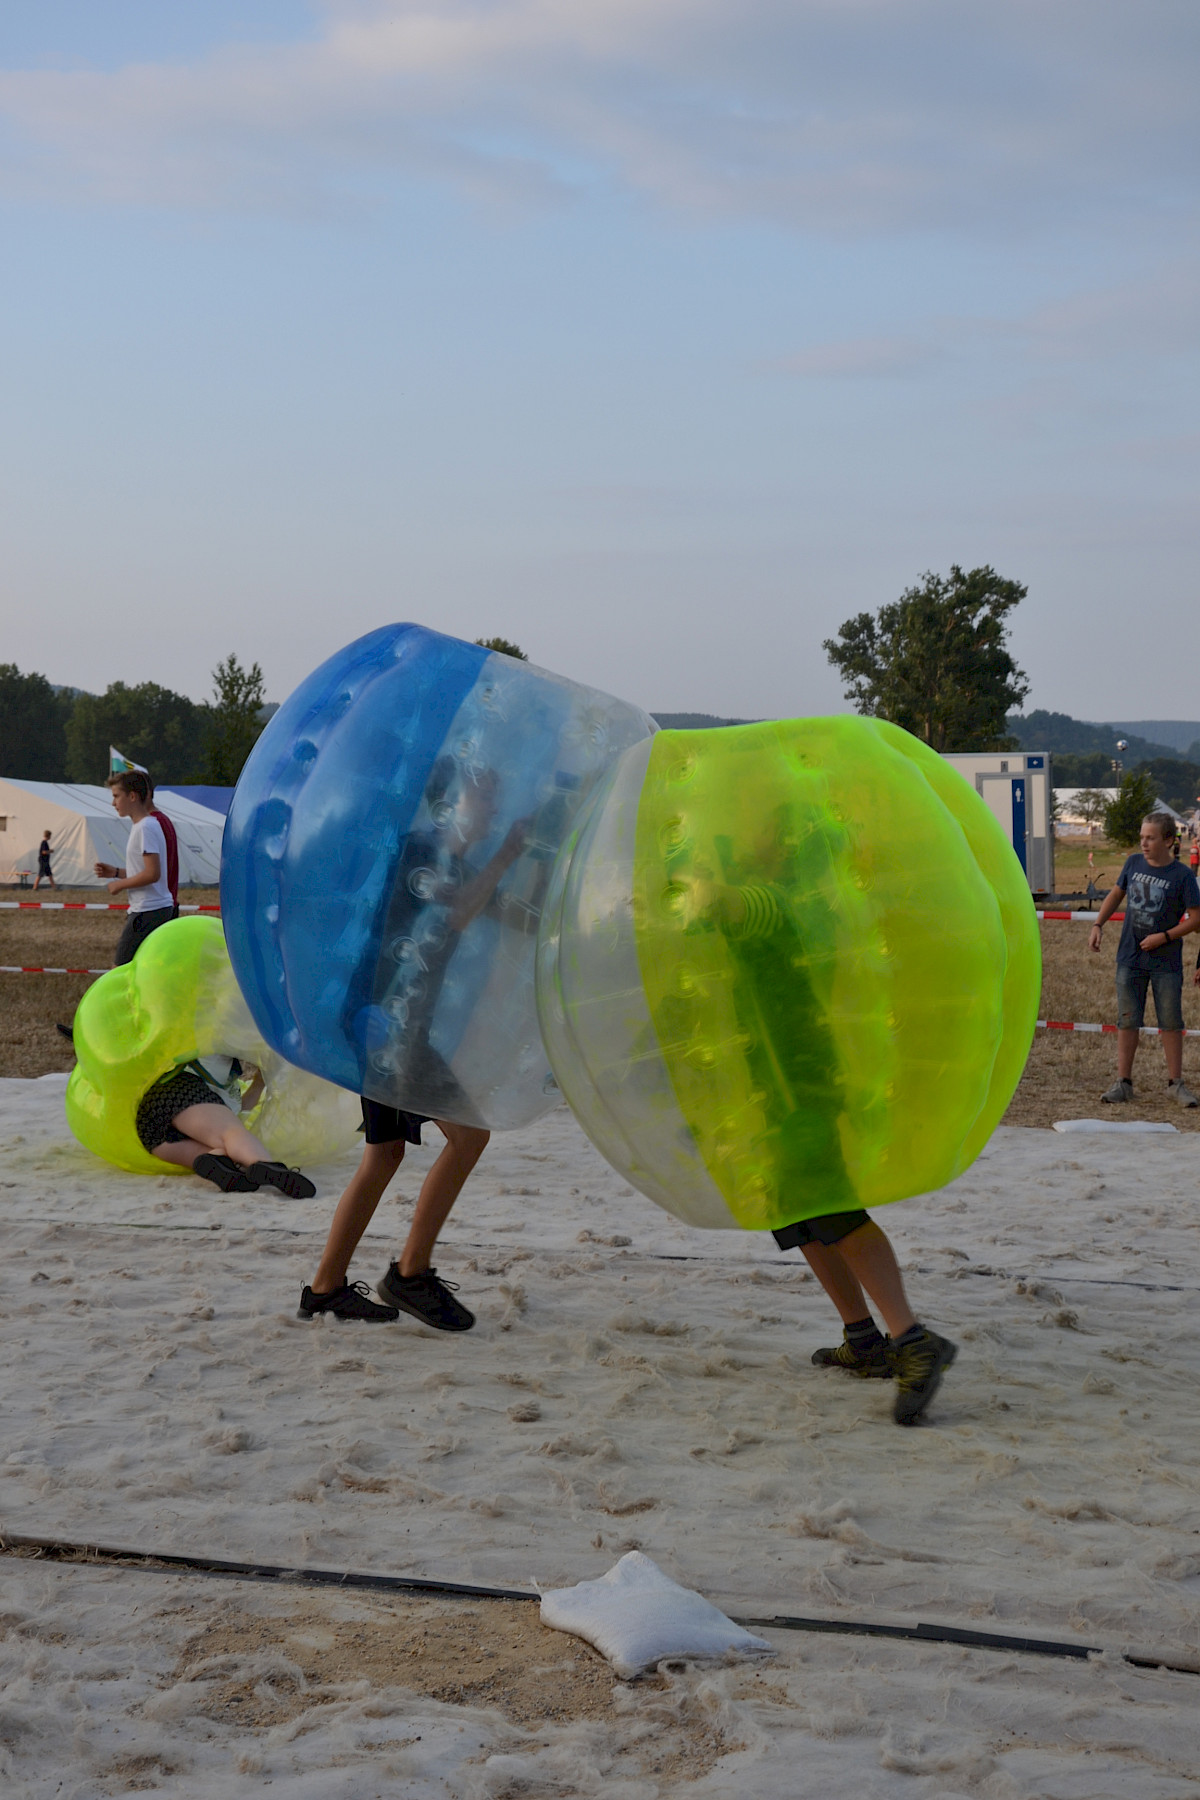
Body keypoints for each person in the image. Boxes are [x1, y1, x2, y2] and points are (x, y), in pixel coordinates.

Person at [686, 814, 957, 1426]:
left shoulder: (771, 900)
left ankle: (914, 1342)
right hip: (776, 1077)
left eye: (752, 824)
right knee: (797, 1211)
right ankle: (864, 1339)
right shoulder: (790, 899)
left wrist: (694, 864)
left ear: (780, 846)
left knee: (831, 1207)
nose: (739, 827)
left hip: (796, 1078)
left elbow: (718, 904)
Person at [299, 758, 530, 1326]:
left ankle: (326, 1287)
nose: (494, 809)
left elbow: (515, 917)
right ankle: (409, 1275)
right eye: (485, 796)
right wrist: (509, 854)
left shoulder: (454, 862)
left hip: (386, 1025)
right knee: (469, 1135)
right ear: (452, 799)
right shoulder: (422, 852)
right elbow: (454, 915)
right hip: (387, 1026)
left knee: (384, 1154)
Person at [1090, 811, 1200, 1107]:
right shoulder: (1133, 863)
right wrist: (1098, 924)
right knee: (1127, 1020)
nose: (1144, 843)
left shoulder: (1183, 876)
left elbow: (1196, 920)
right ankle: (1123, 1083)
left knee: (1171, 1022)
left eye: (1150, 838)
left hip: (1166, 963)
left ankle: (1175, 1084)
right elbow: (1115, 894)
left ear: (1168, 840)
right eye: (1142, 837)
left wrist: (1164, 937)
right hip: (1129, 958)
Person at [136, 1055, 317, 1197]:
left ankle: (217, 1160)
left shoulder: (230, 1089)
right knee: (231, 1133)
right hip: (178, 1089)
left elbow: (240, 1111)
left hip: (154, 1133)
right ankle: (265, 1164)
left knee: (227, 1149)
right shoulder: (211, 1048)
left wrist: (259, 1082)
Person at [95, 771, 177, 965]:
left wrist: (120, 884)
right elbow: (146, 870)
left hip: (148, 910)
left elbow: (152, 874)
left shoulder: (145, 828)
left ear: (132, 796)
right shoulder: (147, 825)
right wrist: (115, 872)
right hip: (154, 909)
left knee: (120, 968)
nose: (113, 803)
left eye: (116, 796)